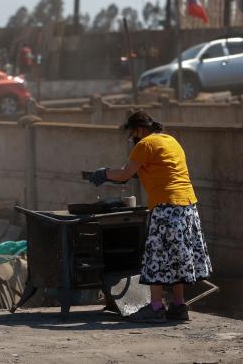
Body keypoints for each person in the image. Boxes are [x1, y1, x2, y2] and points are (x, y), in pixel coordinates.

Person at [89, 110, 212, 323]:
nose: (132, 140)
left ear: (140, 130)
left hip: (166, 207)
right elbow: (161, 169)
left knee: (157, 257)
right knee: (177, 256)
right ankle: (179, 305)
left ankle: (155, 308)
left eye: (132, 135)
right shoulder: (170, 140)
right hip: (188, 206)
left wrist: (105, 173)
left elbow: (125, 174)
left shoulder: (144, 145)